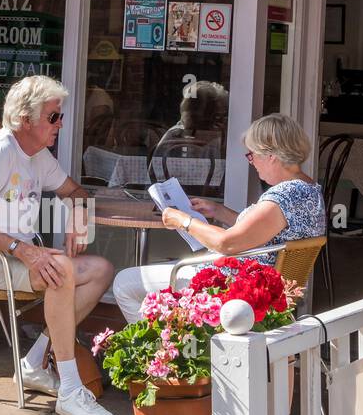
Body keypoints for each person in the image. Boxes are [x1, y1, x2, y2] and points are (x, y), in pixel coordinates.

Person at [0, 74, 116, 415]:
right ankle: (70, 389)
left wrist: (78, 219)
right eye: (53, 116)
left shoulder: (37, 155)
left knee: (100, 269)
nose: (61, 123)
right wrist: (24, 250)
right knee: (59, 270)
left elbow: (76, 193)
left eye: (61, 115)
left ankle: (34, 363)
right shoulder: (1, 151)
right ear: (25, 119)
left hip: (5, 257)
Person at [113, 112, 326, 323]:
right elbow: (262, 231)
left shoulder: (284, 196)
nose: (251, 162)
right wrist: (218, 211)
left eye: (252, 154)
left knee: (123, 283)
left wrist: (184, 221)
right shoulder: (308, 191)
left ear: (270, 156)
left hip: (233, 285)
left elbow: (227, 243)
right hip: (256, 283)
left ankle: (163, 348)